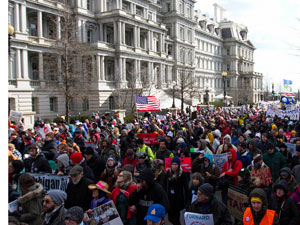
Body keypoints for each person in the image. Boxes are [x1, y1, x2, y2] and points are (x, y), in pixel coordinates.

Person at [166, 156, 190, 225]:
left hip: (179, 200)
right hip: (170, 199)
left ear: (179, 165)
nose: (174, 166)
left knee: (177, 218)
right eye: (173, 164)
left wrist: (187, 202)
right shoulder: (168, 173)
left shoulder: (182, 174)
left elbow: (186, 189)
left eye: (176, 164)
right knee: (170, 218)